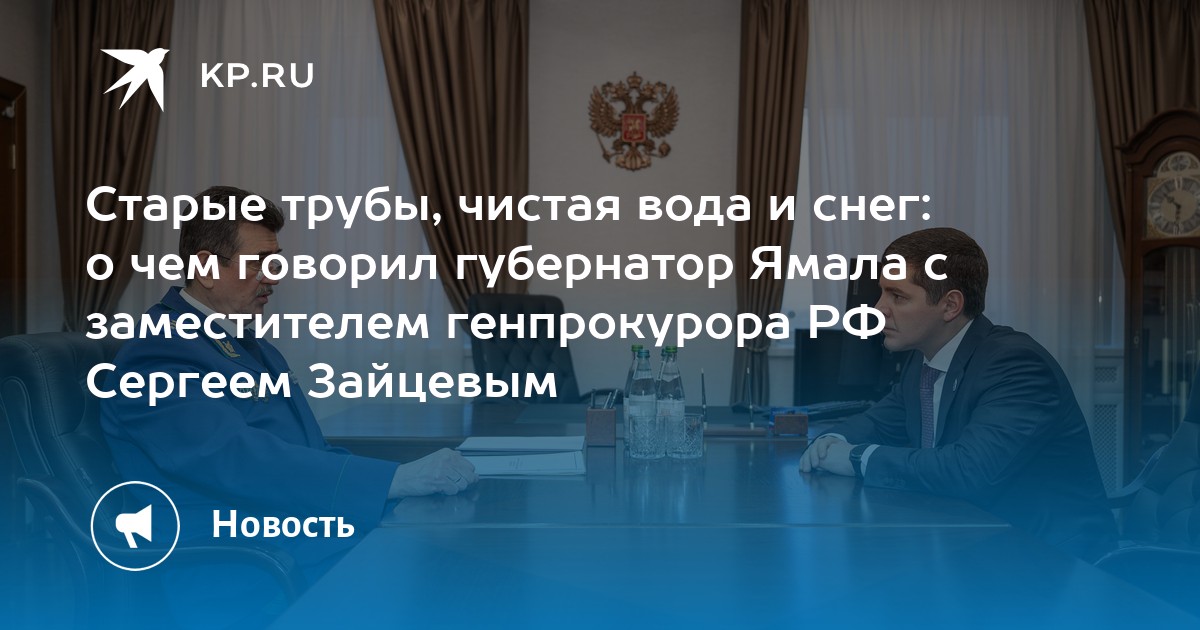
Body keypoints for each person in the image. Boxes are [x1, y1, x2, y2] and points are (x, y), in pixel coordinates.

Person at [100, 185, 478, 578]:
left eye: (275, 262)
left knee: (453, 558)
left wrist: (404, 478)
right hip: (241, 567)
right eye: (258, 264)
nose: (272, 279)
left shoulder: (246, 343)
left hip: (298, 540)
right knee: (445, 577)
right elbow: (239, 460)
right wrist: (394, 481)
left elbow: (310, 450)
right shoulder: (160, 350)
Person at [799, 228, 1116, 560]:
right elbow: (878, 422)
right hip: (976, 542)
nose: (878, 308)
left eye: (898, 297)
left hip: (1052, 560)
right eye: (882, 293)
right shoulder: (923, 361)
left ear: (950, 305)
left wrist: (856, 457)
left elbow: (968, 470)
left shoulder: (1016, 364)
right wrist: (831, 440)